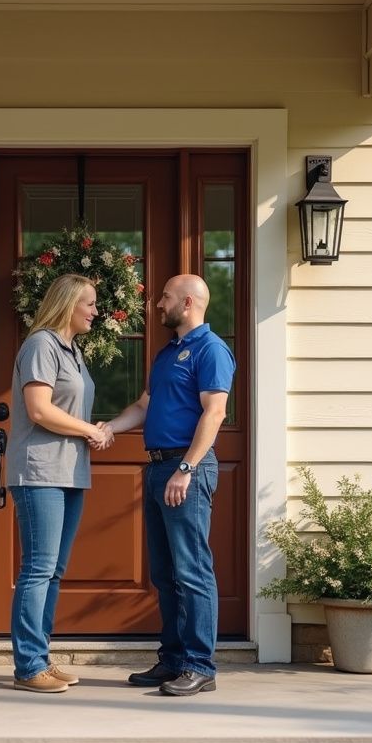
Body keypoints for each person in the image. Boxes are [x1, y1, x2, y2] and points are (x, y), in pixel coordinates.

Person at [100, 274, 236, 696]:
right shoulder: (167, 353)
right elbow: (145, 405)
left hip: (184, 469)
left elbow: (213, 414)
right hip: (158, 468)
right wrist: (107, 429)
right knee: (165, 573)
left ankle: (200, 666)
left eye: (165, 297)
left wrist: (187, 469)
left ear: (189, 302)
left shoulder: (211, 350)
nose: (158, 304)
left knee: (193, 571)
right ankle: (174, 660)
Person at [6, 273, 112, 694]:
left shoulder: (73, 351)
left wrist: (95, 430)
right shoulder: (40, 345)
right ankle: (28, 666)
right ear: (69, 304)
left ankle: (41, 659)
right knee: (38, 569)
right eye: (90, 303)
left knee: (54, 572)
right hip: (39, 473)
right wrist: (90, 430)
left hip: (69, 473)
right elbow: (39, 410)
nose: (96, 311)